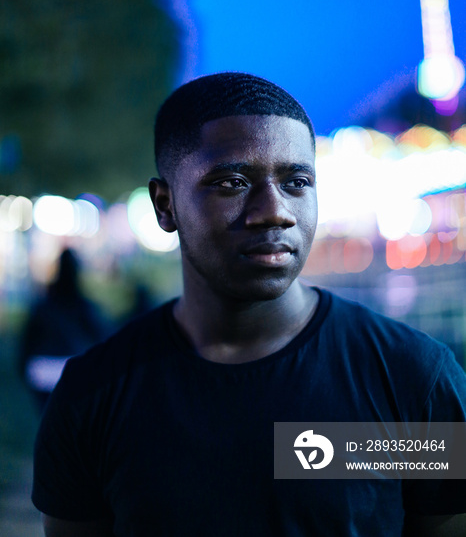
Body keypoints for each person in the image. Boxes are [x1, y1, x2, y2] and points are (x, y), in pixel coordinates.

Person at [32, 72, 466, 536]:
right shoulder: (92, 395)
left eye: (297, 181)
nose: (274, 210)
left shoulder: (413, 377)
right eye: (233, 182)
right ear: (166, 206)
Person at [19, 247, 108, 411]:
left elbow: (27, 342)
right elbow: (102, 337)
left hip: (41, 371)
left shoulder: (43, 305)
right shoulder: (83, 306)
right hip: (72, 369)